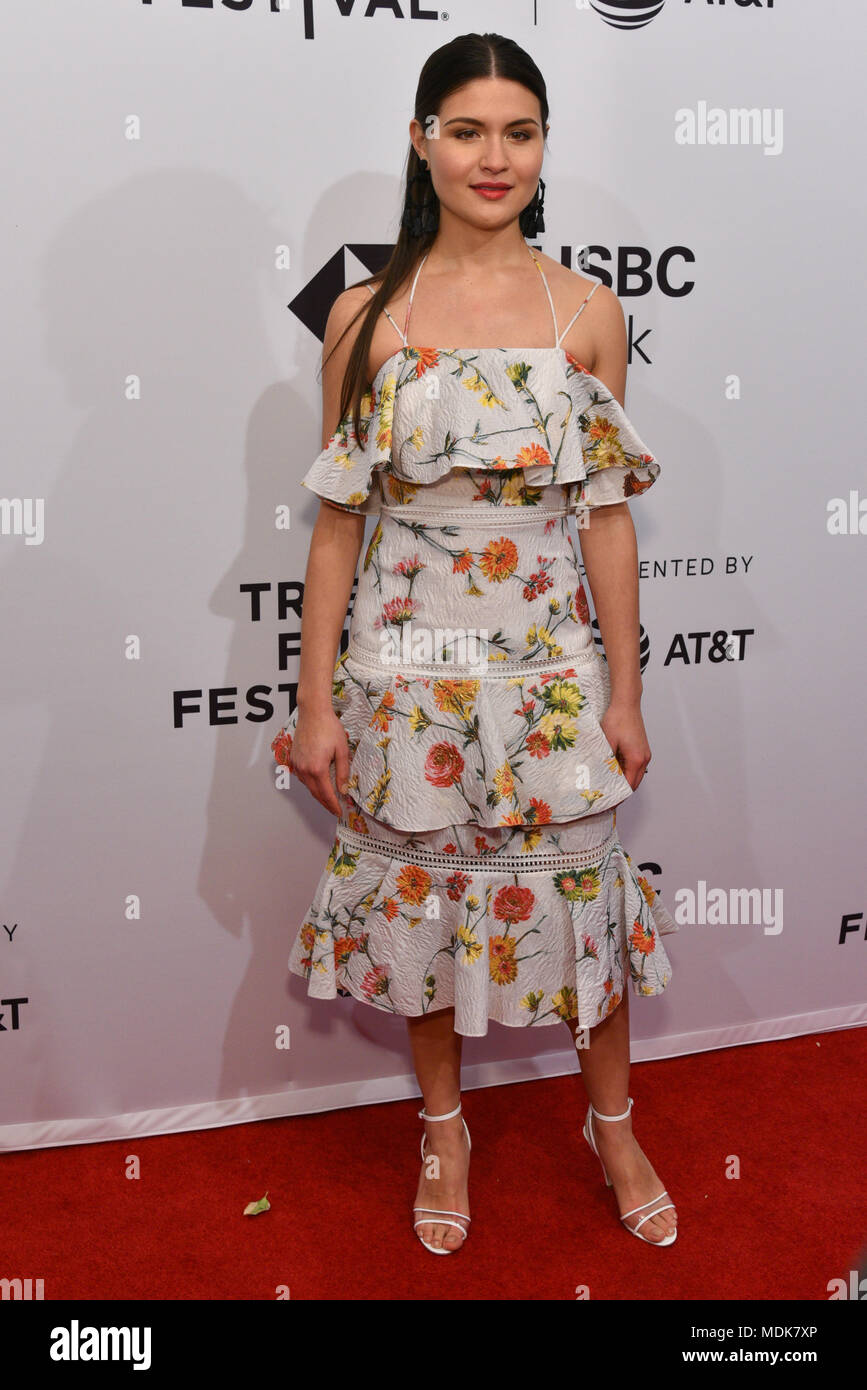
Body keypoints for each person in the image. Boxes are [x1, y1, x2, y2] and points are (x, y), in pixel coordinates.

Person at [272, 32, 679, 1255]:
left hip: (552, 674)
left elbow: (606, 523)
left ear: (544, 147)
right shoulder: (366, 315)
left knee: (581, 906)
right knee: (422, 912)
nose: (491, 157)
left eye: (518, 132)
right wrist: (315, 703)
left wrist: (625, 692)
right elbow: (338, 523)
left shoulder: (587, 312)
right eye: (465, 130)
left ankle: (612, 1123)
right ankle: (443, 1126)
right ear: (421, 141)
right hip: (405, 674)